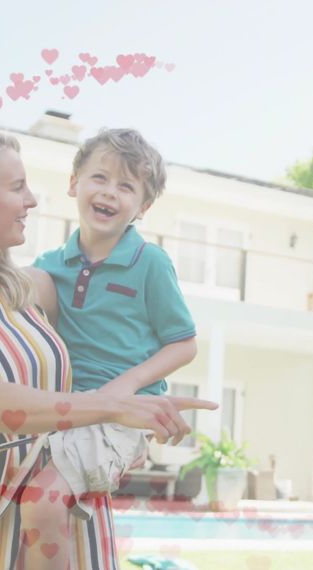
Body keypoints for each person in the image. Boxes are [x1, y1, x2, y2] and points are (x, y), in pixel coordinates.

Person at [0, 128, 216, 569]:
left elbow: (127, 340)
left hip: (68, 511)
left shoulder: (34, 287)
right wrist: (113, 406)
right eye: (17, 187)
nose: (32, 200)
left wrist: (128, 430)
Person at [21, 128, 199, 528]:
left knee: (43, 503)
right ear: (74, 184)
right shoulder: (49, 263)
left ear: (143, 206)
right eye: (99, 178)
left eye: (126, 186)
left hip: (121, 414)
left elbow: (184, 345)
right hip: (64, 409)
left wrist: (127, 385)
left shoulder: (150, 262)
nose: (109, 192)